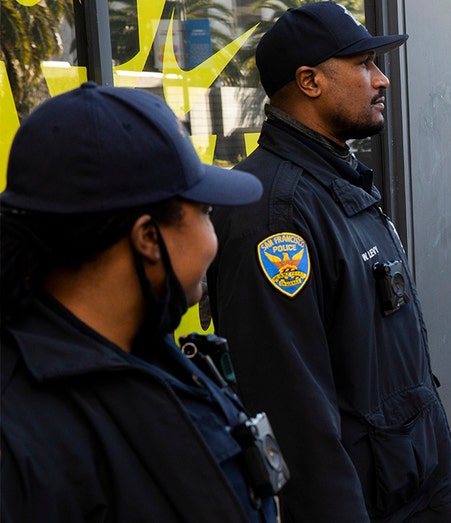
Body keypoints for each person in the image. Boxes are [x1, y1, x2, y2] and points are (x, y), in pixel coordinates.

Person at [206, 3, 451, 521]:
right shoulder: (274, 214)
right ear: (309, 81)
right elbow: (295, 416)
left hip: (411, 492)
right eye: (365, 63)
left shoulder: (337, 181)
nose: (383, 79)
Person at [1, 83, 280, 521]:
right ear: (149, 238)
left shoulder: (146, 350)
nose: (214, 240)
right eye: (205, 213)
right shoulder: (21, 438)